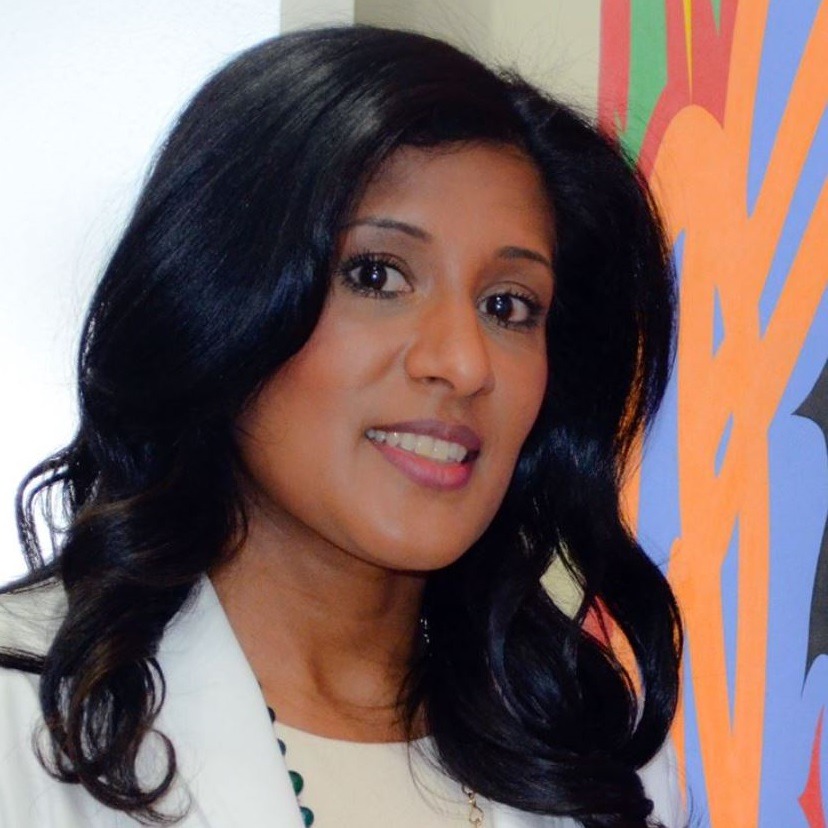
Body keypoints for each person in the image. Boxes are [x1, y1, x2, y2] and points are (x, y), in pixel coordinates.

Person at [0, 25, 684, 828]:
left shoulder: (591, 753)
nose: (464, 363)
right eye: (376, 275)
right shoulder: (22, 723)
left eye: (508, 306)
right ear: (220, 300)